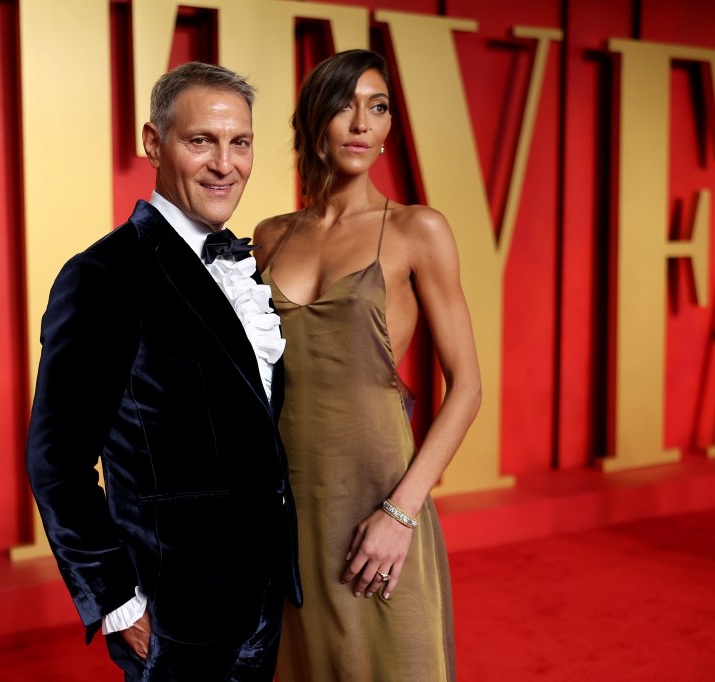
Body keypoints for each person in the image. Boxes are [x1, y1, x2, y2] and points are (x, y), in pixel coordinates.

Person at [26, 61, 302, 681]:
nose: (224, 164)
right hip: (172, 608)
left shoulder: (244, 272)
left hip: (259, 596)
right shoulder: (103, 276)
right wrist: (118, 602)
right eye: (200, 140)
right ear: (154, 143)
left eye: (240, 142)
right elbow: (57, 462)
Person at [253, 49, 481, 681]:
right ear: (312, 121)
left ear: (387, 131)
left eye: (377, 108)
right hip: (289, 504)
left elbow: (466, 386)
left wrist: (402, 511)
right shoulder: (269, 237)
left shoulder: (418, 230)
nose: (361, 123)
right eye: (344, 106)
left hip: (379, 499)